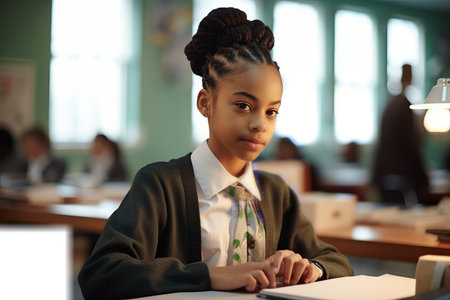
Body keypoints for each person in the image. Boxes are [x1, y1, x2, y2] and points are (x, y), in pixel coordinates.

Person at [78, 7, 353, 299]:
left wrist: (311, 267)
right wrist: (210, 276)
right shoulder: (160, 185)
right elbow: (101, 274)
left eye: (271, 111)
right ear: (205, 103)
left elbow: (338, 264)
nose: (260, 124)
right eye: (243, 106)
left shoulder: (276, 194)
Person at [372, 64, 429, 205]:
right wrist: (424, 177)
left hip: (385, 176)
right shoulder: (403, 105)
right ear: (410, 77)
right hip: (401, 179)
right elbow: (410, 144)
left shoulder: (390, 104)